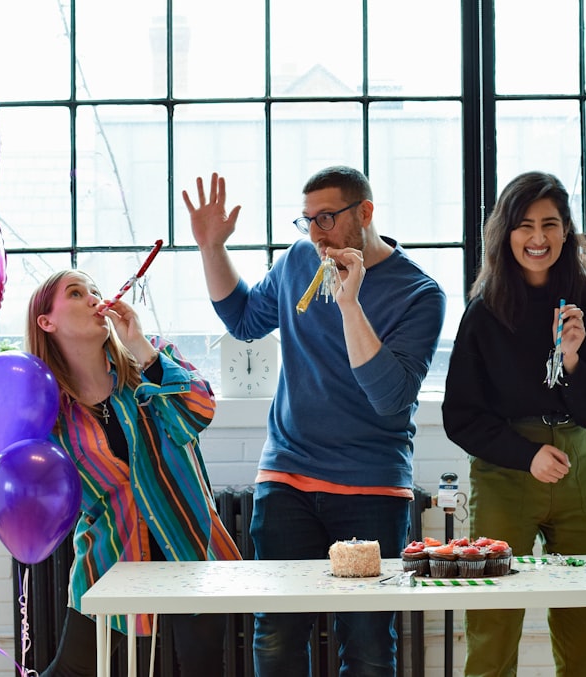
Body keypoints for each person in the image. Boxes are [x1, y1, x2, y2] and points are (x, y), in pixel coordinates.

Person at [182, 166, 446, 676]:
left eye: (326, 218)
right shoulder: (300, 260)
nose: (316, 233)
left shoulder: (419, 293)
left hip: (372, 485)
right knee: (277, 634)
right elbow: (244, 319)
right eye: (307, 221)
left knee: (368, 643)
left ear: (365, 213)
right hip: (287, 477)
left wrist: (350, 302)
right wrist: (212, 248)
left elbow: (391, 397)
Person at [0, 270, 241, 677]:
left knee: (202, 669)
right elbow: (2, 507)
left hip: (193, 547)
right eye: (75, 293)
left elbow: (198, 412)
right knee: (72, 671)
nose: (93, 299)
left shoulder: (152, 358)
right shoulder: (46, 413)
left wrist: (140, 344)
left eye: (95, 291)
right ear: (46, 322)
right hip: (110, 562)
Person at [442, 171, 586, 676]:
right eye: (524, 225)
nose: (538, 238)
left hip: (577, 464)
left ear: (567, 231)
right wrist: (527, 455)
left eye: (549, 224)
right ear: (506, 232)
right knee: (493, 621)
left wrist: (571, 361)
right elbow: (459, 415)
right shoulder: (483, 311)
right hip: (504, 472)